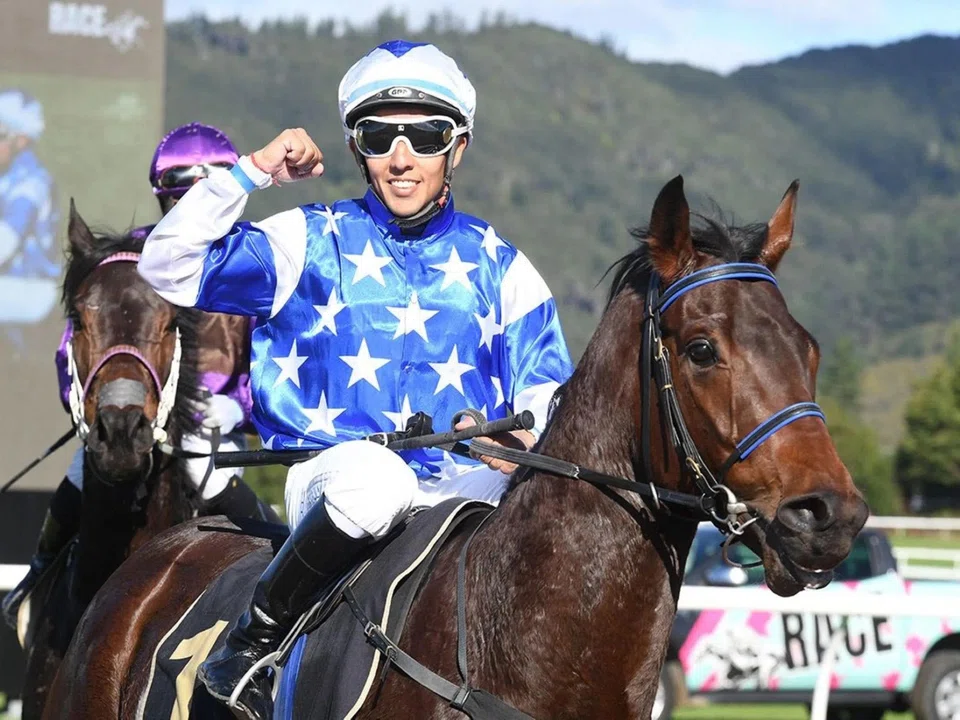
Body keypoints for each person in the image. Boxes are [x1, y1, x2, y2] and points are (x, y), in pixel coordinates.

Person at [137, 40, 574, 719]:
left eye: (425, 136)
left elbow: (551, 400)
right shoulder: (305, 240)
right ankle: (252, 641)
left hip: (461, 487)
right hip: (334, 482)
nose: (402, 157)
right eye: (379, 136)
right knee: (380, 481)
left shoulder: (504, 266)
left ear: (456, 148)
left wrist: (514, 448)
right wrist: (252, 172)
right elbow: (164, 264)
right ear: (357, 147)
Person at [1, 122, 276, 631]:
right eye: (181, 195)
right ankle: (38, 578)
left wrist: (240, 406)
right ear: (162, 196)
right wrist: (85, 402)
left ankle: (280, 571)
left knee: (204, 472)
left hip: (217, 428)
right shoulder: (134, 260)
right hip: (141, 414)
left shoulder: (261, 262)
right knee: (81, 472)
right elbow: (75, 350)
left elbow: (275, 365)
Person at [0, 89, 60, 327]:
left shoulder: (31, 183)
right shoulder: (8, 175)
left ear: (21, 140)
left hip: (30, 289)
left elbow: (4, 243)